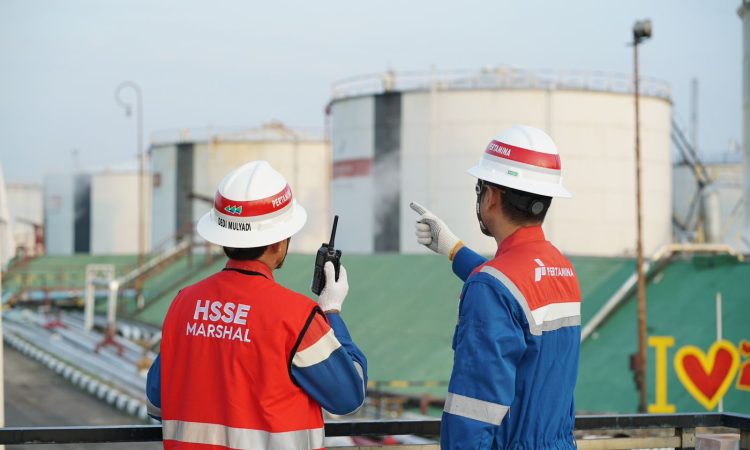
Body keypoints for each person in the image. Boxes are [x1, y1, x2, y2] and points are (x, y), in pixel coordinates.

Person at [146, 160, 367, 450]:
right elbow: (348, 397)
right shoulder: (296, 316)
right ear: (278, 242)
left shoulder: (183, 305)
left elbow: (156, 403)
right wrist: (332, 313)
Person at [411, 125, 581, 450]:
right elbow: (515, 289)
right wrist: (454, 250)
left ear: (490, 196)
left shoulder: (491, 288)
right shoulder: (562, 270)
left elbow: (472, 411)